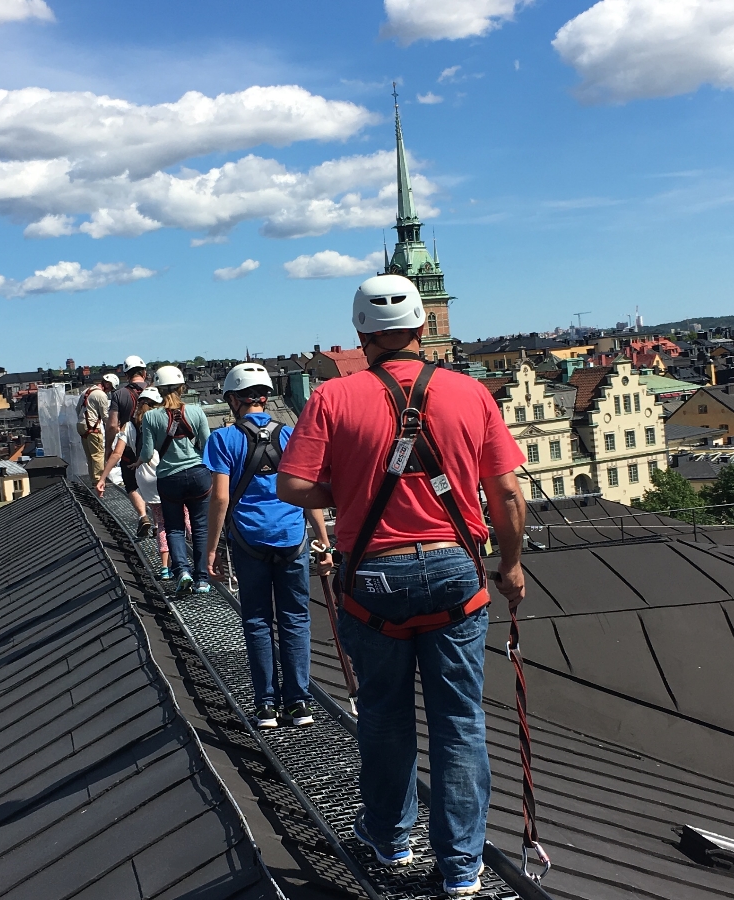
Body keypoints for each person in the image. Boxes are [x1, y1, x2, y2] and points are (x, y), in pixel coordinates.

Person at [277, 273, 526, 896]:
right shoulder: (471, 394)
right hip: (453, 571)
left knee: (385, 717)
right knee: (460, 722)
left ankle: (389, 840)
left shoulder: (333, 398)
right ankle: (462, 870)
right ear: (421, 328)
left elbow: (291, 486)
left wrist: (355, 493)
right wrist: (512, 565)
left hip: (375, 579)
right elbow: (508, 495)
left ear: (362, 334)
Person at [204, 363, 332, 730]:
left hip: (249, 541)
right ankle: (299, 703)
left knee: (258, 621)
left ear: (232, 400)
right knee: (295, 620)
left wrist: (210, 550)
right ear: (265, 397)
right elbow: (308, 492)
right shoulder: (291, 435)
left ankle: (265, 706)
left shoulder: (223, 439)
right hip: (292, 539)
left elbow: (221, 499)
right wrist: (322, 539)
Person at [139, 365, 214, 594]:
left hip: (169, 477)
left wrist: (136, 463)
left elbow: (147, 452)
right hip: (198, 475)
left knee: (174, 527)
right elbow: (206, 444)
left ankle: (182, 571)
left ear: (159, 390)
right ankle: (202, 579)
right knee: (200, 528)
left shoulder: (150, 417)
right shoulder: (196, 411)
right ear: (182, 387)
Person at [97, 388, 172, 574]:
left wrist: (103, 477)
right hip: (166, 473)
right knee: (186, 518)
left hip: (144, 477)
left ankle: (165, 568)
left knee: (161, 522)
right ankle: (199, 559)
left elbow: (117, 454)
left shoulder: (128, 426)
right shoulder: (162, 421)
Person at [107, 356, 153, 536]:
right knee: (154, 484)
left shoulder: (120, 395)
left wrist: (109, 447)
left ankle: (143, 515)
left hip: (128, 448)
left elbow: (111, 425)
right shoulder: (154, 391)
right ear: (144, 373)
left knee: (132, 485)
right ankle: (159, 522)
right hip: (153, 446)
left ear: (126, 375)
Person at [79, 372, 113, 483]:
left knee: (90, 456)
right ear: (107, 384)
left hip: (81, 425)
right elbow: (105, 417)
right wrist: (113, 428)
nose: (109, 391)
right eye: (110, 388)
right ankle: (99, 481)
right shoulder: (101, 395)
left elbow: (77, 409)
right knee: (98, 455)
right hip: (93, 427)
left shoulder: (85, 392)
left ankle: (93, 479)